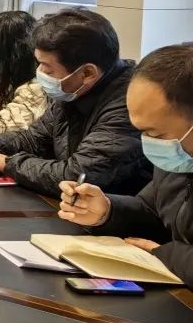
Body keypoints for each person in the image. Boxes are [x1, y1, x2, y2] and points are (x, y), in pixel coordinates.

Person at [0, 8, 152, 199]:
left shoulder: (129, 105)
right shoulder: (74, 90)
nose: (40, 73)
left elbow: (77, 176)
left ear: (87, 73)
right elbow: (34, 138)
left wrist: (7, 163)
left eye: (47, 69)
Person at [58, 44, 193, 286]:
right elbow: (151, 209)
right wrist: (106, 211)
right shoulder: (179, 158)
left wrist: (164, 253)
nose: (148, 142)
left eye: (156, 134)